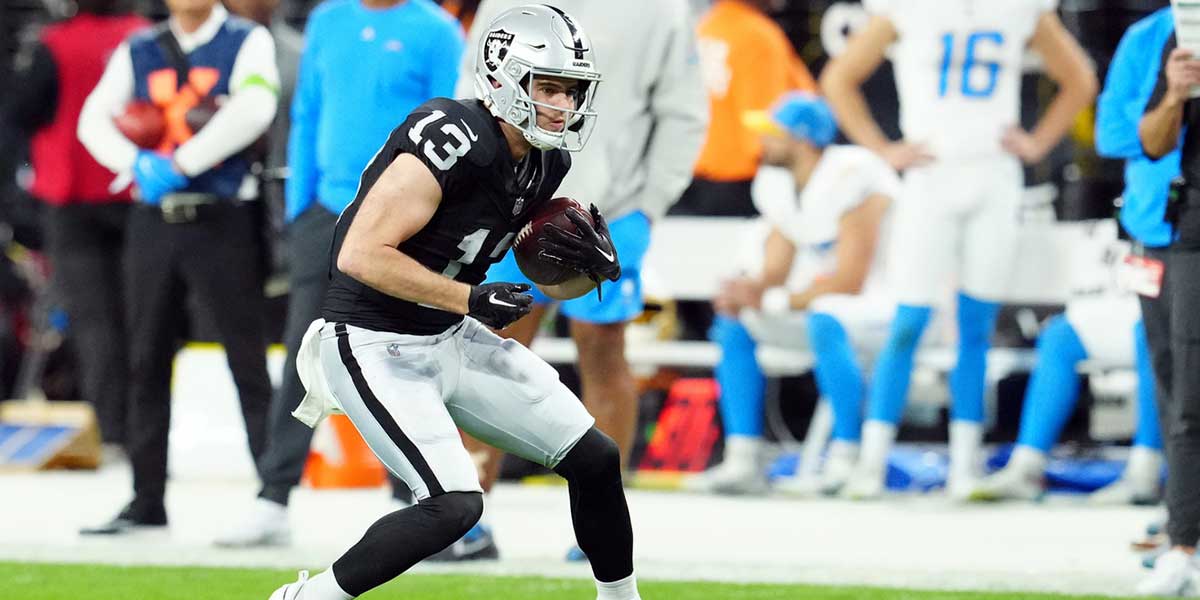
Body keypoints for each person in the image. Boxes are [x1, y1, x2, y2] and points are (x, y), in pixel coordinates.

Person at [267, 6, 640, 600]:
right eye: (548, 87)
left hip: (447, 332)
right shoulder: (451, 135)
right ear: (502, 79)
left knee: (594, 457)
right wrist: (469, 297)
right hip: (371, 337)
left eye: (571, 91)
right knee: (452, 506)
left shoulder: (547, 161)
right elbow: (361, 253)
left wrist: (579, 271)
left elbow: (505, 262)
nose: (563, 106)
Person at [442, 0, 706, 561]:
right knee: (488, 355)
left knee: (605, 355)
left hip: (608, 208)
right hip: (511, 200)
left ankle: (600, 528)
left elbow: (683, 112)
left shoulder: (661, 10)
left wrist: (647, 208)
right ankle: (464, 523)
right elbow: (476, 89)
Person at [821, 0, 1097, 500]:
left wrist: (1038, 143)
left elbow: (1080, 79)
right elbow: (838, 79)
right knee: (908, 320)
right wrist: (883, 149)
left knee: (976, 325)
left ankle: (964, 465)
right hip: (931, 174)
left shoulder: (1019, 7)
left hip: (993, 174)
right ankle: (872, 460)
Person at [216, 0, 464, 548]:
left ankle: (418, 499)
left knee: (406, 357)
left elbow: (456, 133)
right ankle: (273, 497)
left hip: (404, 224)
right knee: (305, 353)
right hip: (325, 214)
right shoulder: (329, 19)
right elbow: (307, 112)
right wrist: (302, 203)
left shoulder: (437, 31)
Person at [76, 0, 280, 533]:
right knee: (144, 356)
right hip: (153, 218)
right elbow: (91, 119)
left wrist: (181, 163)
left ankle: (271, 498)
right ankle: (146, 499)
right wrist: (133, 164)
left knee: (246, 357)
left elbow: (255, 107)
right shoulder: (140, 47)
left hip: (223, 218)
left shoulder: (246, 39)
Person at [686, 92, 899, 496]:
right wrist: (748, 290)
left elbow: (852, 280)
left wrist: (773, 299)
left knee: (827, 317)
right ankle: (743, 458)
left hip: (885, 305)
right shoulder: (777, 182)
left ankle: (846, 456)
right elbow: (777, 267)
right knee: (734, 323)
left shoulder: (857, 174)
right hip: (826, 305)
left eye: (773, 134)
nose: (762, 143)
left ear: (803, 140)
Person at [2, 0, 148, 448]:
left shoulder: (56, 44)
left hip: (70, 199)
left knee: (95, 321)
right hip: (137, 195)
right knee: (141, 319)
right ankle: (143, 431)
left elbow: (20, 116)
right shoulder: (144, 36)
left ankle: (115, 432)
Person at [969, 225, 1163, 504]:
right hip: (1128, 290)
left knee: (1152, 333)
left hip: (1171, 290)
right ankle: (1027, 468)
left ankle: (1145, 474)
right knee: (1058, 337)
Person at [1135, 7, 1200, 593]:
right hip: (1189, 230)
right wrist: (1177, 94)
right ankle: (1184, 542)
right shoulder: (1177, 42)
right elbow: (1148, 142)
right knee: (1188, 393)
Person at [668, 0, 815, 218]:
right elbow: (763, 128)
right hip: (742, 190)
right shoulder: (757, 36)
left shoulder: (706, 27)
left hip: (693, 184)